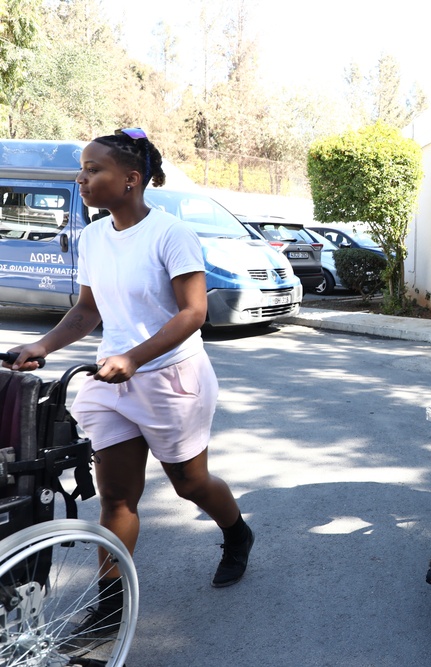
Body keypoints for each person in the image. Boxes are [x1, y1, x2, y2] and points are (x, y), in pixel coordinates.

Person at [3, 128, 254, 644]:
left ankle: (237, 533)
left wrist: (135, 358)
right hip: (110, 380)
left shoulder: (171, 234)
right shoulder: (93, 236)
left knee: (190, 484)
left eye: (95, 170)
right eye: (83, 168)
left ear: (131, 180)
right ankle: (110, 607)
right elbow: (87, 310)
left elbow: (194, 313)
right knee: (116, 498)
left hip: (171, 379)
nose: (83, 178)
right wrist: (42, 348)